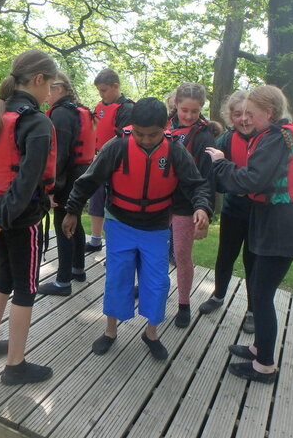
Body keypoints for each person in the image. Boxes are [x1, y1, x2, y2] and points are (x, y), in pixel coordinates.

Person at [61, 98, 211, 360]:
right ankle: (110, 331)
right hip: (120, 224)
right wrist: (72, 209)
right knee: (118, 278)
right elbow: (88, 180)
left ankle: (151, 333)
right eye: (139, 134)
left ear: (164, 127)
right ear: (132, 127)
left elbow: (197, 184)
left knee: (157, 283)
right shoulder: (117, 146)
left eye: (152, 134)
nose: (144, 140)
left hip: (155, 227)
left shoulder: (176, 151)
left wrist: (202, 208)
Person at [205, 85, 293, 384]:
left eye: (252, 113)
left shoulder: (275, 139)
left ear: (269, 112)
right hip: (276, 221)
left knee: (262, 297)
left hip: (282, 225)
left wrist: (220, 164)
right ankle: (258, 347)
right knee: (258, 286)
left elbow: (252, 180)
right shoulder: (280, 135)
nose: (246, 119)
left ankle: (265, 366)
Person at [0, 49, 57, 386]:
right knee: (26, 286)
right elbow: (27, 181)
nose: (50, 92)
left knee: (4, 273)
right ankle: (15, 365)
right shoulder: (37, 122)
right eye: (50, 85)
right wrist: (1, 219)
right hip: (21, 219)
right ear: (38, 80)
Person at [198, 91, 257, 334]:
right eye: (237, 114)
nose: (243, 119)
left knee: (253, 262)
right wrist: (232, 186)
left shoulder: (267, 138)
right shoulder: (225, 141)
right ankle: (219, 295)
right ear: (230, 117)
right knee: (225, 256)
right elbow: (212, 174)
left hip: (260, 213)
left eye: (249, 113)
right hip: (234, 210)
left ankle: (253, 309)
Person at [38, 72, 94, 297]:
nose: (46, 95)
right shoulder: (77, 110)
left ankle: (63, 281)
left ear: (59, 89)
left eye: (49, 89)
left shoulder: (61, 114)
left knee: (64, 226)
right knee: (75, 222)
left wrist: (50, 189)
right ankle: (78, 269)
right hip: (80, 176)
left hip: (66, 179)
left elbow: (58, 156)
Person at [168, 82, 216, 328]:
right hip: (159, 202)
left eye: (194, 112)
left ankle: (184, 304)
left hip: (186, 205)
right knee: (152, 253)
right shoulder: (163, 127)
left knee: (182, 256)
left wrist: (205, 211)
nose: (188, 116)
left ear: (200, 110)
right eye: (184, 110)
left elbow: (207, 179)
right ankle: (149, 289)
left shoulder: (204, 137)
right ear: (175, 104)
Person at [85, 68, 134, 253]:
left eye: (104, 90)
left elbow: (124, 139)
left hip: (116, 165)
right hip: (98, 162)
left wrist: (105, 156)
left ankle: (115, 248)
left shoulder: (127, 108)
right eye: (99, 90)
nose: (101, 94)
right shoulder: (100, 106)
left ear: (116, 86)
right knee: (96, 201)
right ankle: (96, 240)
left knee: (115, 208)